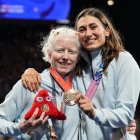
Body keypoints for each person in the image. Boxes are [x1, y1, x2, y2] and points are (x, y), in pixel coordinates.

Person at [21, 7, 140, 140]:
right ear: (77, 35)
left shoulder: (123, 61)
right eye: (82, 29)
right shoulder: (77, 65)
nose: (88, 33)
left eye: (93, 27)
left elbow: (126, 114)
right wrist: (31, 72)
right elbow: (55, 77)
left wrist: (95, 113)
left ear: (107, 31)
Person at [0, 26, 81, 139]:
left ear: (77, 57)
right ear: (49, 53)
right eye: (60, 50)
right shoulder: (29, 85)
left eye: (72, 51)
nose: (66, 57)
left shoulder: (82, 86)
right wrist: (19, 128)